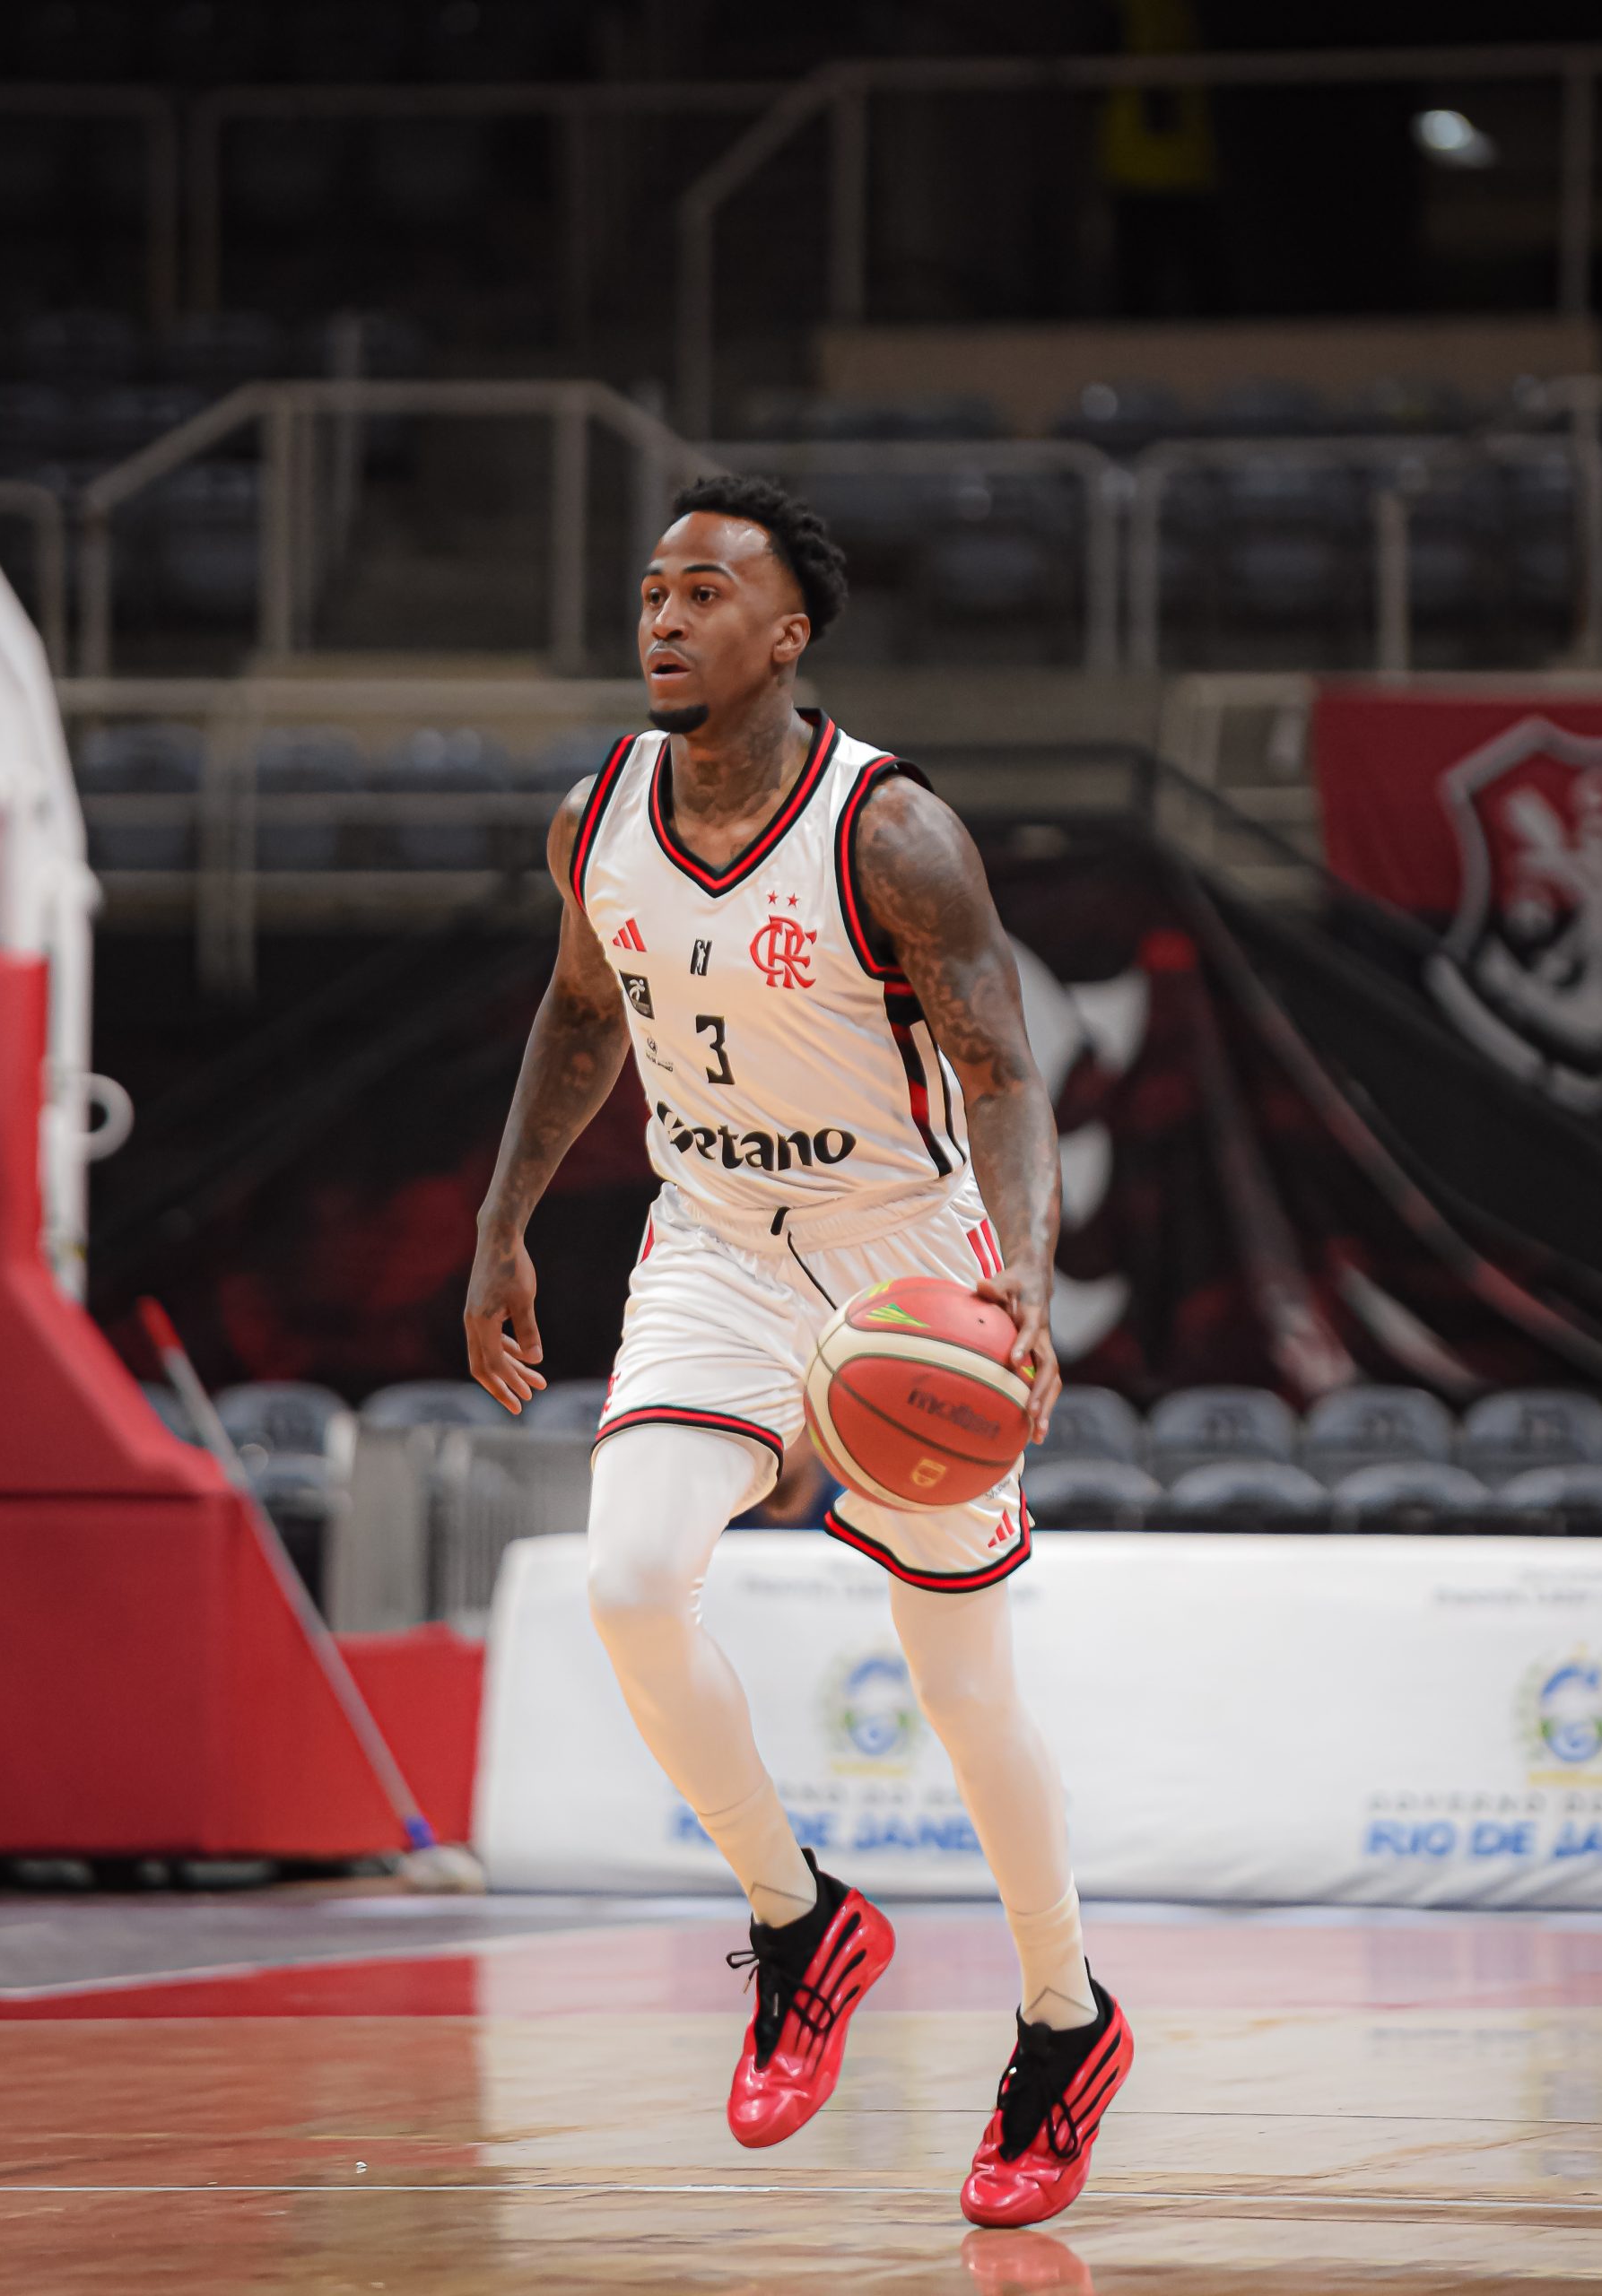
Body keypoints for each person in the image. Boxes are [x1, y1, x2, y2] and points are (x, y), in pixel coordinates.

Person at [465, 474, 1130, 2228]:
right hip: (713, 1250)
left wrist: (1024, 1279)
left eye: (707, 591)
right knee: (630, 1580)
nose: (666, 615)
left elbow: (1005, 1075)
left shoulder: (890, 834)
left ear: (788, 634)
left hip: (902, 1260)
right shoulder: (597, 819)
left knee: (962, 1687)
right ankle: (797, 1916)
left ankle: (1064, 2013)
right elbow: (581, 1011)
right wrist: (504, 1219)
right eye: (652, 589)